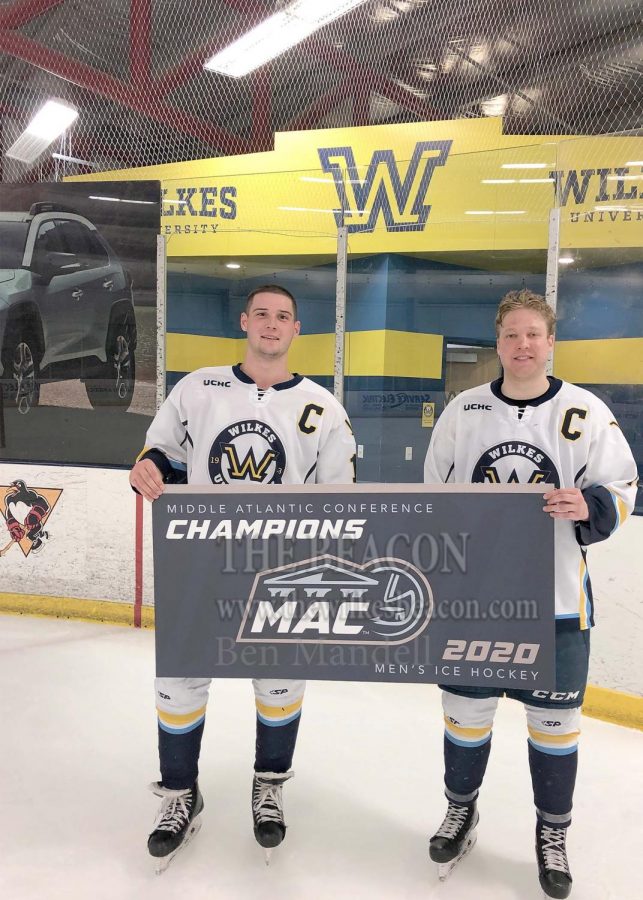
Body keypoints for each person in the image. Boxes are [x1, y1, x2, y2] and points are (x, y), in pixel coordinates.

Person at [130, 284, 356, 871]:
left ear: (297, 330)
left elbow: (340, 499)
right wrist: (148, 467)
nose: (272, 325)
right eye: (262, 314)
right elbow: (164, 452)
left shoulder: (323, 408)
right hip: (200, 566)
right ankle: (181, 793)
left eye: (283, 317)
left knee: (278, 685)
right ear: (244, 322)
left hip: (282, 573)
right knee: (180, 682)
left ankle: (270, 787)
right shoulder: (198, 387)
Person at [423, 289, 637, 898]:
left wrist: (588, 503)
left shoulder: (586, 411)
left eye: (533, 335)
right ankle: (461, 810)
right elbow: (433, 493)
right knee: (466, 716)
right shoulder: (463, 412)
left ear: (550, 343)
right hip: (474, 602)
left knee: (555, 726)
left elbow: (623, 484)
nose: (523, 345)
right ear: (499, 343)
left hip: (558, 604)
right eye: (512, 335)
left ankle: (552, 833)